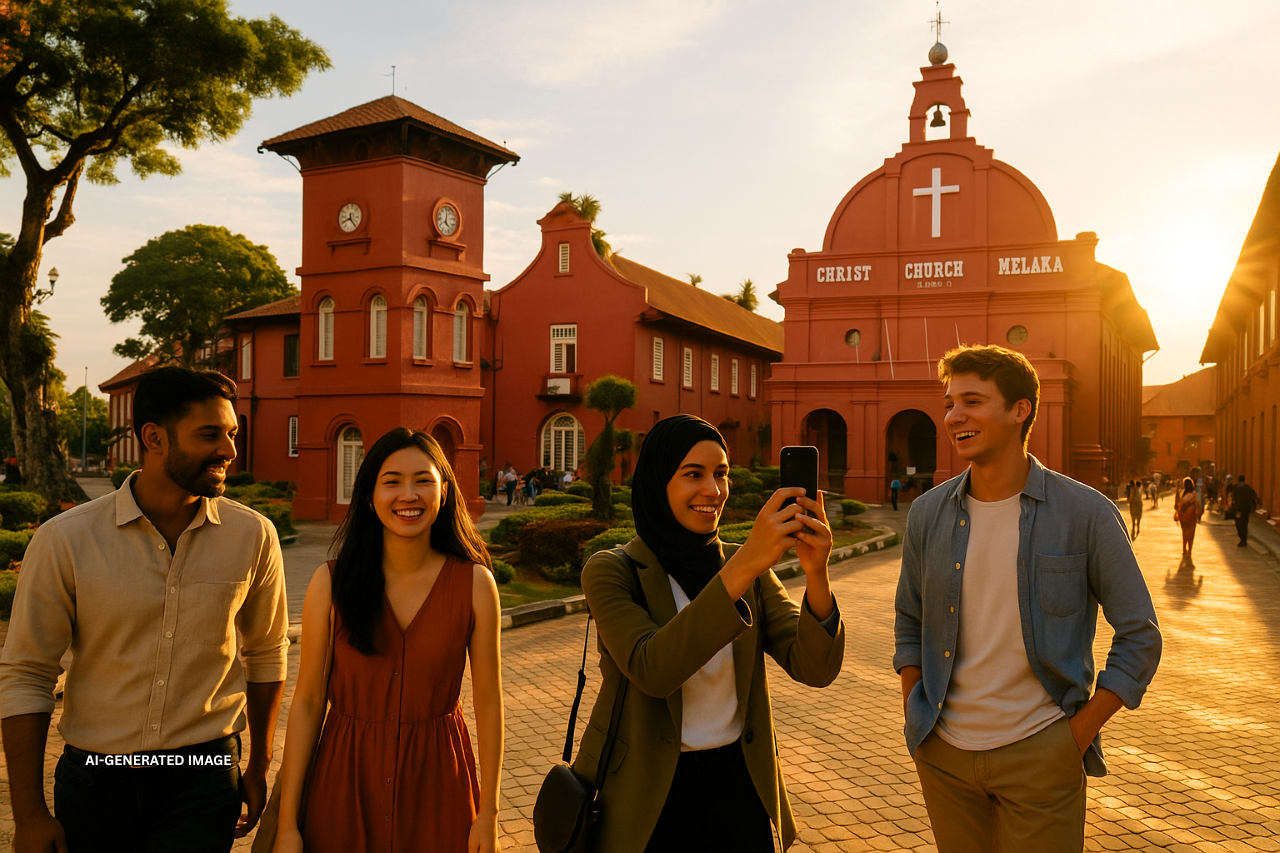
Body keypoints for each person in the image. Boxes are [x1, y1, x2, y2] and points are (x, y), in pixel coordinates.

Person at [0, 366, 289, 853]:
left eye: (232, 434)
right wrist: (28, 815)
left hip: (204, 776)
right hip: (97, 777)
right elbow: (27, 672)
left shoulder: (253, 536)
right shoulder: (67, 540)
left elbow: (266, 654)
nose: (230, 450)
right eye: (209, 435)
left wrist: (258, 765)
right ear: (154, 438)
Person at [895, 345, 1161, 853]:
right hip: (944, 755)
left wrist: (1076, 736)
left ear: (1020, 410)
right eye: (950, 403)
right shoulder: (927, 514)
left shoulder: (1084, 513)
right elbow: (910, 617)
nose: (954, 416)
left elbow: (1139, 634)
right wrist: (915, 712)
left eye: (973, 401)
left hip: (1043, 751)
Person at [575, 414, 845, 852]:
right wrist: (747, 563)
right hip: (647, 797)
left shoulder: (747, 569)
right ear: (658, 482)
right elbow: (653, 669)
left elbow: (815, 668)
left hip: (738, 786)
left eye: (721, 473)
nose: (714, 490)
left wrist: (817, 573)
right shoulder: (613, 570)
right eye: (693, 474)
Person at [273, 427, 502, 853]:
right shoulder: (331, 583)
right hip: (343, 785)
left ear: (445, 491)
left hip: (439, 788)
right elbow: (307, 702)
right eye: (392, 481)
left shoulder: (475, 585)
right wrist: (288, 824)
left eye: (423, 481)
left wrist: (488, 813)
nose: (408, 495)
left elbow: (489, 703)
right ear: (368, 495)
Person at [1173, 477, 1202, 557]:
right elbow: (1198, 505)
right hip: (1192, 516)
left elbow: (1177, 505)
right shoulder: (1194, 494)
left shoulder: (1182, 494)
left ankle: (1184, 549)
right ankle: (1190, 549)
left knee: (1184, 532)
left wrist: (1177, 490)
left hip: (1183, 516)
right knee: (1191, 534)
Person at [1230, 474, 1258, 548]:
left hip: (1238, 508)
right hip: (1245, 509)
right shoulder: (1248, 487)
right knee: (1244, 523)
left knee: (1238, 523)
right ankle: (1244, 539)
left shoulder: (1236, 487)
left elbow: (1232, 496)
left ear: (1238, 480)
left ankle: (1242, 538)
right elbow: (1254, 495)